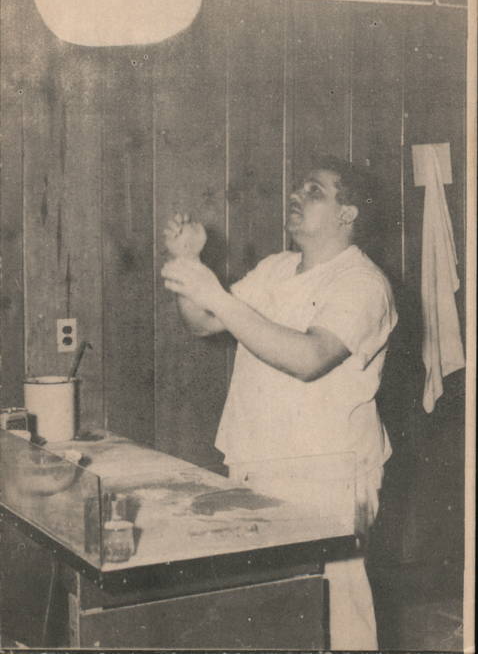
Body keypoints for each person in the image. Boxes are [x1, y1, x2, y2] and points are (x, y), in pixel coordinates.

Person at [161, 155, 397, 651]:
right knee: (268, 616)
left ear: (348, 213)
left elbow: (310, 357)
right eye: (296, 188)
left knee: (337, 618)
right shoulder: (276, 268)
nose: (296, 196)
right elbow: (203, 322)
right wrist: (189, 265)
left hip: (327, 477)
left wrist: (215, 294)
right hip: (256, 463)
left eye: (314, 191)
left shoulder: (363, 283)